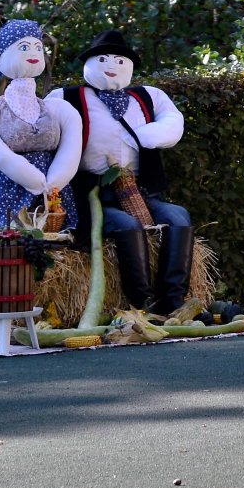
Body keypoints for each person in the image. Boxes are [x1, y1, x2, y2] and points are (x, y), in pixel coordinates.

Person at [51, 29, 195, 315]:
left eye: (120, 60)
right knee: (128, 226)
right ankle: (143, 303)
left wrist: (145, 135)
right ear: (89, 63)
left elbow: (173, 121)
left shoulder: (148, 96)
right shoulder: (66, 97)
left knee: (178, 216)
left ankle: (173, 299)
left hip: (138, 191)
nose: (112, 66)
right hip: (93, 195)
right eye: (103, 59)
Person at [0, 19, 81, 231]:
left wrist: (56, 180)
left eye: (38, 47)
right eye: (24, 47)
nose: (33, 52)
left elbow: (72, 147)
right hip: (11, 188)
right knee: (13, 243)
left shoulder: (57, 108)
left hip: (54, 192)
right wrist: (31, 178)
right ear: (5, 55)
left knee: (55, 241)